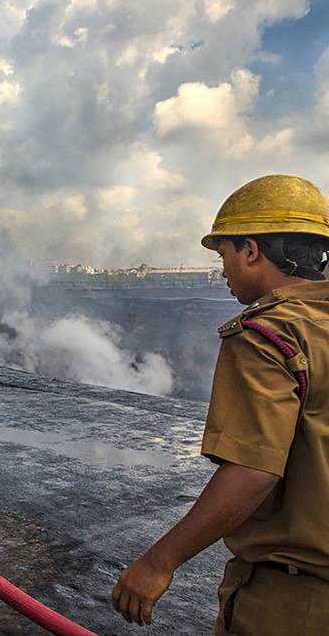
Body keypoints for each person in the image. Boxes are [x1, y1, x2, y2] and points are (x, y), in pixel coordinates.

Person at [112, 175, 329, 634]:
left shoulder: (269, 334)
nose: (224, 270)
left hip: (296, 600)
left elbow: (254, 469)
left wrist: (158, 561)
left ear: (251, 250)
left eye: (224, 254)